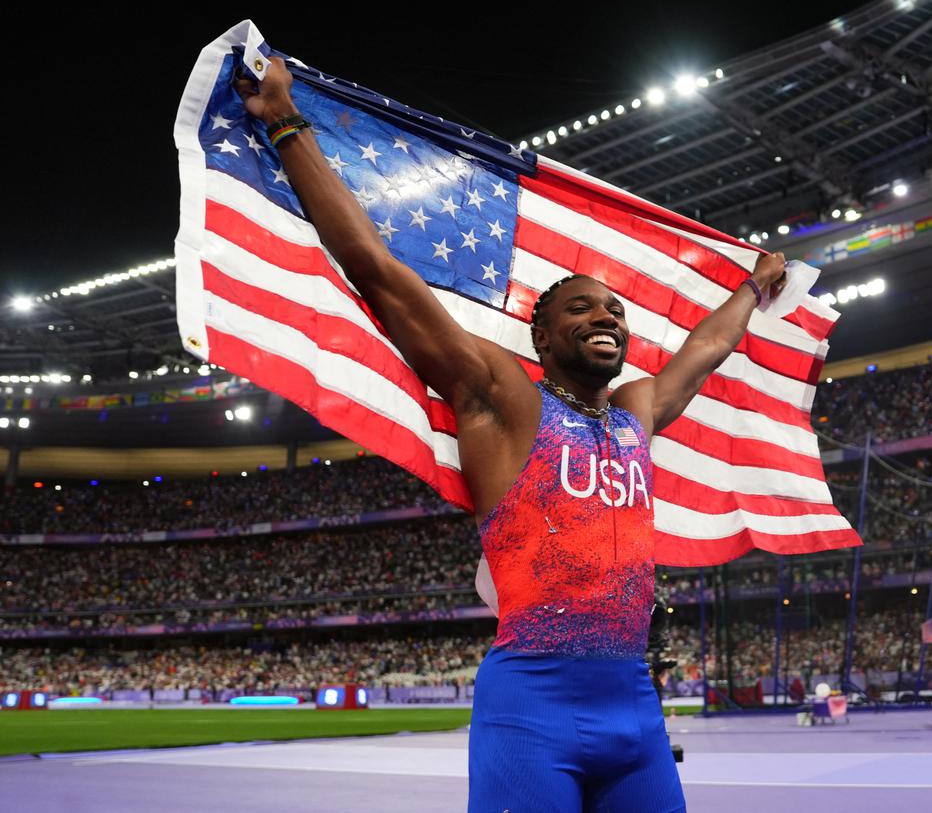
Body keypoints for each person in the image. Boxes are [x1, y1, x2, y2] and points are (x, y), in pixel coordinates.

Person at [234, 58, 787, 813]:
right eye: (583, 309)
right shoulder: (504, 401)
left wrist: (756, 287)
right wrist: (284, 124)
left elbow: (704, 350)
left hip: (635, 705)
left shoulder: (635, 414)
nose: (606, 318)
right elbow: (380, 271)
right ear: (542, 335)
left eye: (616, 312)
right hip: (532, 708)